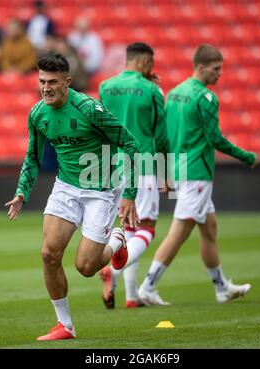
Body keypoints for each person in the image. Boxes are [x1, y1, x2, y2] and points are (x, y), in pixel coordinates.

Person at [5, 53, 139, 341]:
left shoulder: (90, 109)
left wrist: (129, 194)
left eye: (52, 82)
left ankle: (117, 241)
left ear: (67, 81)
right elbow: (32, 158)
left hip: (101, 189)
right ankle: (65, 325)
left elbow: (130, 143)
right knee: (48, 254)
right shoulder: (38, 113)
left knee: (86, 267)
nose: (46, 88)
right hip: (66, 187)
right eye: (42, 81)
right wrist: (21, 192)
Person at [138, 44, 258, 306]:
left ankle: (221, 288)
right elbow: (215, 138)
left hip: (180, 168)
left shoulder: (176, 93)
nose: (220, 75)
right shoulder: (206, 98)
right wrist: (246, 156)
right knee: (180, 230)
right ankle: (148, 286)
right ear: (201, 67)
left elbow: (164, 135)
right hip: (197, 172)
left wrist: (165, 169)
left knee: (209, 228)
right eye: (216, 69)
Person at [98, 42, 169, 308]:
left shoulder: (105, 87)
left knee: (128, 229)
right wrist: (166, 172)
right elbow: (161, 136)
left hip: (111, 167)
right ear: (146, 63)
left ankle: (131, 295)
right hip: (144, 165)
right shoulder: (152, 90)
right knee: (146, 228)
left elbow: (100, 128)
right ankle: (111, 271)